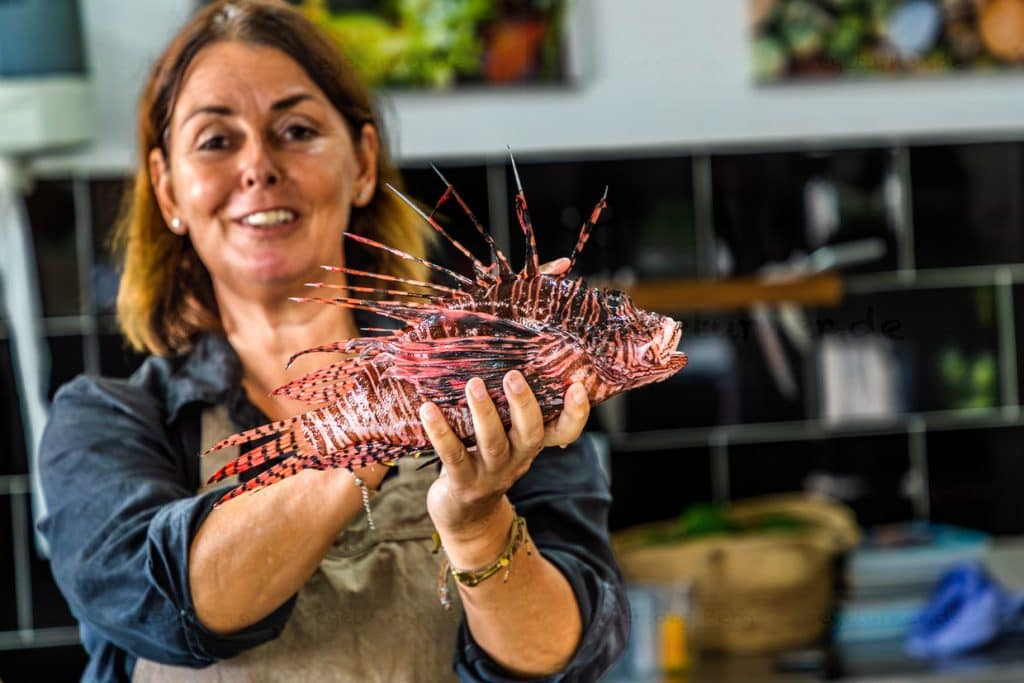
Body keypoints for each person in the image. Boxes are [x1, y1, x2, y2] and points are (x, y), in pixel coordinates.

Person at [37, 1, 629, 681]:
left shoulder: (494, 385)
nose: (259, 165)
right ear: (169, 190)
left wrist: (476, 524)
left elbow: (564, 654)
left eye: (297, 130)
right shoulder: (105, 422)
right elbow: (172, 606)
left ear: (363, 163)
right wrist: (385, 416)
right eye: (216, 140)